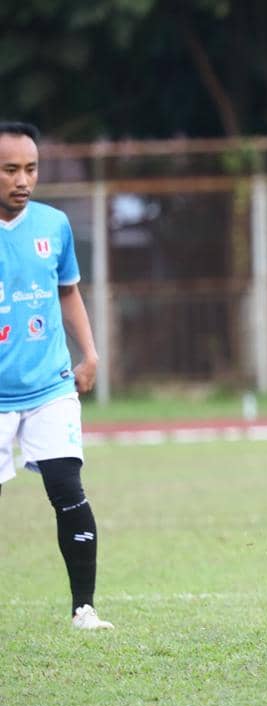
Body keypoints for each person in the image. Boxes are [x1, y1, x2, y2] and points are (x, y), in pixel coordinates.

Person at [0, 122, 111, 630]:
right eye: (10, 170)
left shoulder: (54, 225)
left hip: (50, 386)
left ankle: (83, 609)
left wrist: (88, 352)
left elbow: (68, 291)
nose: (23, 180)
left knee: (68, 488)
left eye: (31, 169)